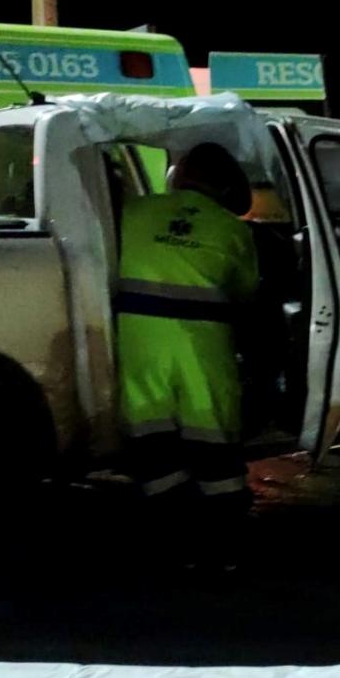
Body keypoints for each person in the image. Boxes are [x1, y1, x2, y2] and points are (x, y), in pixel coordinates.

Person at [116, 142, 260, 569]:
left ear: (177, 175)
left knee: (152, 438)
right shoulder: (233, 230)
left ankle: (172, 538)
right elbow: (245, 293)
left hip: (138, 344)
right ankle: (223, 546)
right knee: (213, 441)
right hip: (203, 347)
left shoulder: (135, 212)